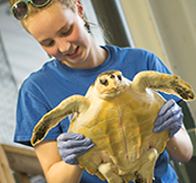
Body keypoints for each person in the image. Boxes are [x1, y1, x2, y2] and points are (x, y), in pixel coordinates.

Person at [9, 0, 193, 182]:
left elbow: (185, 154)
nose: (64, 47)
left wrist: (172, 129)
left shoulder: (142, 62)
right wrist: (73, 160)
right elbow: (56, 178)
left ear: (79, 9)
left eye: (66, 31)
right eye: (48, 43)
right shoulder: (36, 91)